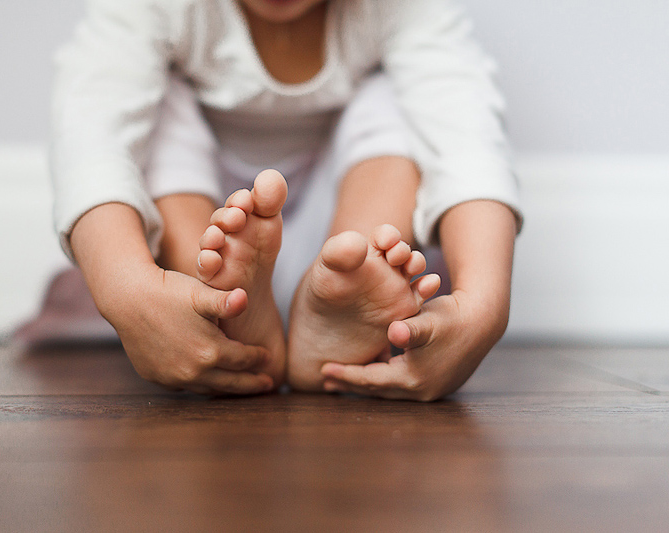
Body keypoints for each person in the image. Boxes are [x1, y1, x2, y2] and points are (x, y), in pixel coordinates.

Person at [51, 0, 522, 400]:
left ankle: (352, 277)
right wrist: (126, 289)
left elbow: (466, 137)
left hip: (330, 236)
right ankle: (212, 299)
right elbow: (90, 134)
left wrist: (484, 303)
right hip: (200, 239)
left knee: (400, 102)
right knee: (150, 112)